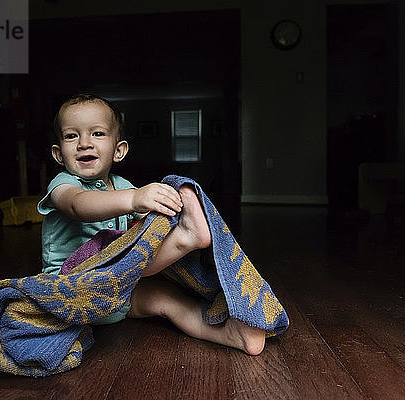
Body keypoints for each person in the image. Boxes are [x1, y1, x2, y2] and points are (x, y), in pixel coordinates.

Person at [37, 94, 266, 355]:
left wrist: (165, 216)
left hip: (117, 297)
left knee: (166, 299)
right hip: (69, 292)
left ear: (118, 150)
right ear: (58, 154)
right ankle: (186, 239)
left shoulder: (123, 186)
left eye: (97, 133)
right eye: (71, 136)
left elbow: (143, 233)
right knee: (126, 256)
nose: (84, 143)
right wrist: (136, 199)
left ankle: (234, 335)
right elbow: (79, 205)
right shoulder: (63, 185)